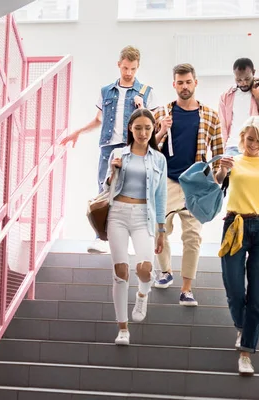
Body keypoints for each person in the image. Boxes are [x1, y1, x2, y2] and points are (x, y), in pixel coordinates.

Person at [61, 45, 161, 254]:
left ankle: (137, 238)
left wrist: (141, 107)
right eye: (125, 68)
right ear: (119, 65)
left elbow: (153, 125)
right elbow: (99, 119)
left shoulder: (146, 92)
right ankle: (101, 238)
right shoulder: (106, 91)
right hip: (108, 147)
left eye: (133, 69)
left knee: (136, 190)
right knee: (105, 189)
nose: (128, 73)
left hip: (133, 146)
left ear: (137, 67)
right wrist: (78, 131)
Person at [151, 63, 224, 306]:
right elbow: (149, 148)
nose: (184, 86)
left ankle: (186, 289)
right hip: (167, 181)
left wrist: (214, 185)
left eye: (188, 82)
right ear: (174, 84)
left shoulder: (211, 116)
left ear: (195, 82)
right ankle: (165, 271)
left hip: (195, 184)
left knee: (192, 236)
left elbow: (219, 155)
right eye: (180, 82)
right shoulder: (162, 113)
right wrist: (161, 131)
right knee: (159, 230)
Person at [214, 116, 259, 376]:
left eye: (258, 140)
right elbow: (218, 183)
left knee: (258, 294)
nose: (253, 144)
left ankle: (246, 353)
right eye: (250, 138)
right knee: (233, 287)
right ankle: (243, 325)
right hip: (234, 224)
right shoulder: (232, 161)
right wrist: (221, 169)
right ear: (242, 138)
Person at [102, 108, 167, 346]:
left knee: (145, 269)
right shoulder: (119, 154)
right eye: (138, 128)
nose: (143, 133)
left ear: (153, 129)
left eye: (148, 128)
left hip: (144, 217)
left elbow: (160, 197)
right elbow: (107, 187)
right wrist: (113, 171)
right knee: (120, 273)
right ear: (130, 128)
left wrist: (162, 230)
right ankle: (122, 328)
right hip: (118, 213)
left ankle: (142, 294)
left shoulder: (158, 159)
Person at [218, 58, 259, 156]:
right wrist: (224, 148)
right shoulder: (226, 97)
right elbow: (222, 126)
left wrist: (258, 97)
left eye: (247, 79)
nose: (243, 83)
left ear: (253, 73)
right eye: (239, 80)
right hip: (233, 147)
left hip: (257, 149)